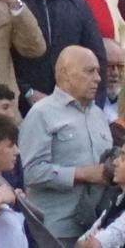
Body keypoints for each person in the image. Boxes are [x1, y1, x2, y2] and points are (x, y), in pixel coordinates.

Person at [20, 45, 112, 238]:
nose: (98, 78)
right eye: (89, 71)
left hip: (95, 230)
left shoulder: (98, 115)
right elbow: (31, 173)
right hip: (55, 230)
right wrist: (83, 174)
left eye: (98, 71)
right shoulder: (41, 114)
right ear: (65, 74)